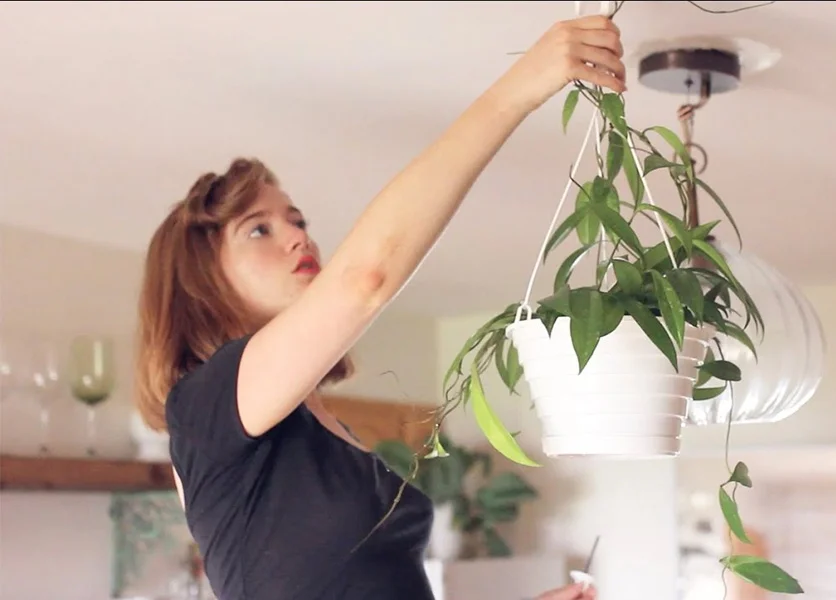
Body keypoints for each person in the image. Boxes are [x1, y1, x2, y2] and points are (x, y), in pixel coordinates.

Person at [133, 14, 624, 600]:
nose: (298, 237)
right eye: (258, 230)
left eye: (297, 220)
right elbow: (365, 276)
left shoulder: (325, 428)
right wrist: (523, 84)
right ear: (199, 280)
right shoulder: (205, 407)